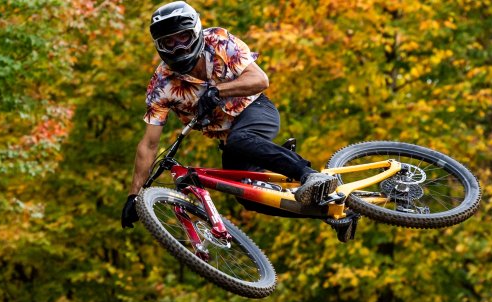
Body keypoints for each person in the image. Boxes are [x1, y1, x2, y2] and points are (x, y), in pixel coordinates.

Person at [121, 1, 338, 228]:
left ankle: (309, 174)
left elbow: (260, 80)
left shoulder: (218, 41)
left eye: (182, 38)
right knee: (247, 196)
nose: (178, 48)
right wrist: (134, 196)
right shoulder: (160, 85)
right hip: (229, 139)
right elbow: (148, 144)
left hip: (255, 109)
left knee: (240, 140)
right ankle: (330, 213)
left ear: (194, 32)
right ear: (160, 46)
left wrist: (218, 90)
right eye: (169, 42)